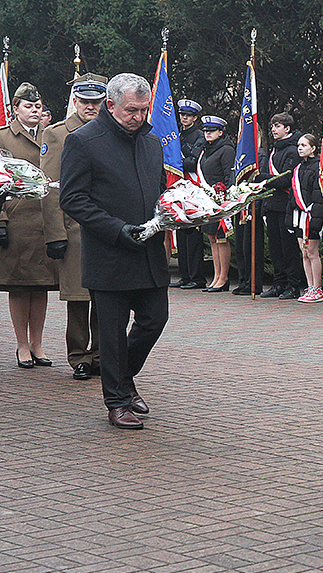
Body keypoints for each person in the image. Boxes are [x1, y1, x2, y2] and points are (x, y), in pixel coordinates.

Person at [60, 73, 169, 430]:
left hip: (149, 251)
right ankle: (117, 401)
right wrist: (119, 230)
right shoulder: (84, 141)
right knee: (111, 330)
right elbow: (72, 198)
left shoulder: (152, 141)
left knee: (155, 318)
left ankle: (123, 376)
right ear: (110, 105)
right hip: (110, 252)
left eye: (143, 109)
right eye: (131, 110)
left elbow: (160, 190)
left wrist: (179, 212)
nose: (138, 117)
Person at [40, 73, 108, 380]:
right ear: (75, 102)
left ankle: (101, 355)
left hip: (107, 230)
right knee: (79, 300)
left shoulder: (113, 132)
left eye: (96, 102)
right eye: (85, 102)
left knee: (106, 299)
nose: (90, 108)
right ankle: (79, 355)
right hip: (75, 230)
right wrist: (55, 234)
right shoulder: (57, 135)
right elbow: (51, 187)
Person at [0, 82, 58, 369]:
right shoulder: (2, 138)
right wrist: (0, 222)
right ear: (15, 109)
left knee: (42, 286)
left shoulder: (52, 135)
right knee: (19, 286)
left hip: (45, 219)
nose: (34, 111)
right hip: (17, 219)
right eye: (28, 106)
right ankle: (22, 345)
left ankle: (38, 343)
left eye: (38, 106)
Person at [253, 112, 301, 297]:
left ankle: (292, 285)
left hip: (286, 206)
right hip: (271, 205)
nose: (273, 129)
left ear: (287, 129)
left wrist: (262, 179)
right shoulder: (275, 149)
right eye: (273, 126)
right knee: (275, 249)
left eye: (277, 126)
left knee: (288, 249)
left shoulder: (293, 149)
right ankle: (279, 283)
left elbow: (285, 180)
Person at [197, 115, 235, 293]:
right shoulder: (206, 150)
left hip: (220, 200)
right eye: (205, 131)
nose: (207, 134)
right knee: (212, 238)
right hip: (208, 200)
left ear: (221, 132)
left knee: (221, 238)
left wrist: (224, 196)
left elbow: (229, 176)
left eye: (211, 131)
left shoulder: (226, 149)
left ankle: (223, 278)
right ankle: (216, 276)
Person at [288, 133, 323, 303]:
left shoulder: (319, 168)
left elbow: (321, 197)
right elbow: (292, 195)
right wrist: (289, 218)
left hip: (311, 216)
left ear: (313, 148)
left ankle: (317, 288)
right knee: (304, 253)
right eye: (299, 145)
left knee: (312, 252)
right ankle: (310, 286)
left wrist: (317, 220)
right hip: (299, 216)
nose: (300, 148)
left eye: (304, 145)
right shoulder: (298, 168)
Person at [173, 98, 206, 290]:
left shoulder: (199, 136)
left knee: (192, 233)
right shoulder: (177, 134)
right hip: (179, 186)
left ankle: (197, 276)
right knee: (181, 230)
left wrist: (179, 149)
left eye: (188, 115)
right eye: (182, 115)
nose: (184, 118)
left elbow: (193, 162)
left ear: (195, 118)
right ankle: (185, 275)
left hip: (192, 186)